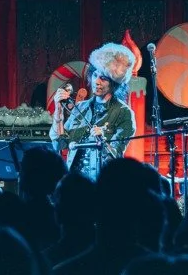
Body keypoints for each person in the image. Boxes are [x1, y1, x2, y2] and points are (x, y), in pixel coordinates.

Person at [50, 43, 135, 181]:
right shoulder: (81, 107)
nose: (97, 81)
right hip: (74, 182)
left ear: (114, 83)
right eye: (95, 75)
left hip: (103, 183)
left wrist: (103, 140)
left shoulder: (124, 113)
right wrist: (58, 110)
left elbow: (116, 157)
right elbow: (59, 145)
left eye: (104, 78)